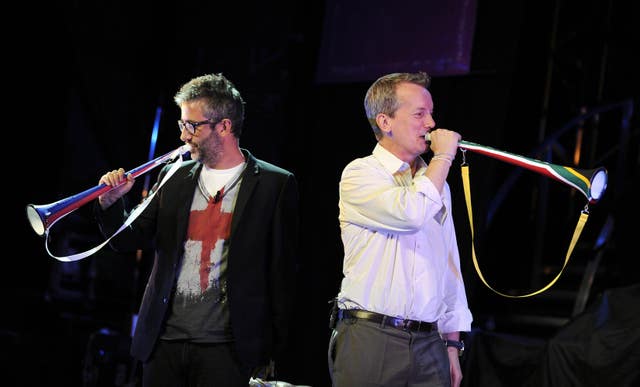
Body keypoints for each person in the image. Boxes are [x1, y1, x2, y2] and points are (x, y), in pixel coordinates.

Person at [95, 73, 299, 386]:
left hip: (229, 351)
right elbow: (127, 240)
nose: (184, 136)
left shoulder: (275, 184)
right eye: (182, 125)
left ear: (225, 126)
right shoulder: (173, 175)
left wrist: (271, 352)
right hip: (164, 344)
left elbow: (281, 273)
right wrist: (111, 204)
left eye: (192, 126)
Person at [328, 71, 473, 387]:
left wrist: (452, 343)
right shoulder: (360, 174)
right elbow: (410, 214)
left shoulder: (435, 184)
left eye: (431, 113)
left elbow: (449, 266)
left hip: (429, 342)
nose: (431, 124)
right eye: (420, 114)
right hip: (373, 337)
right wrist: (445, 155)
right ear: (385, 122)